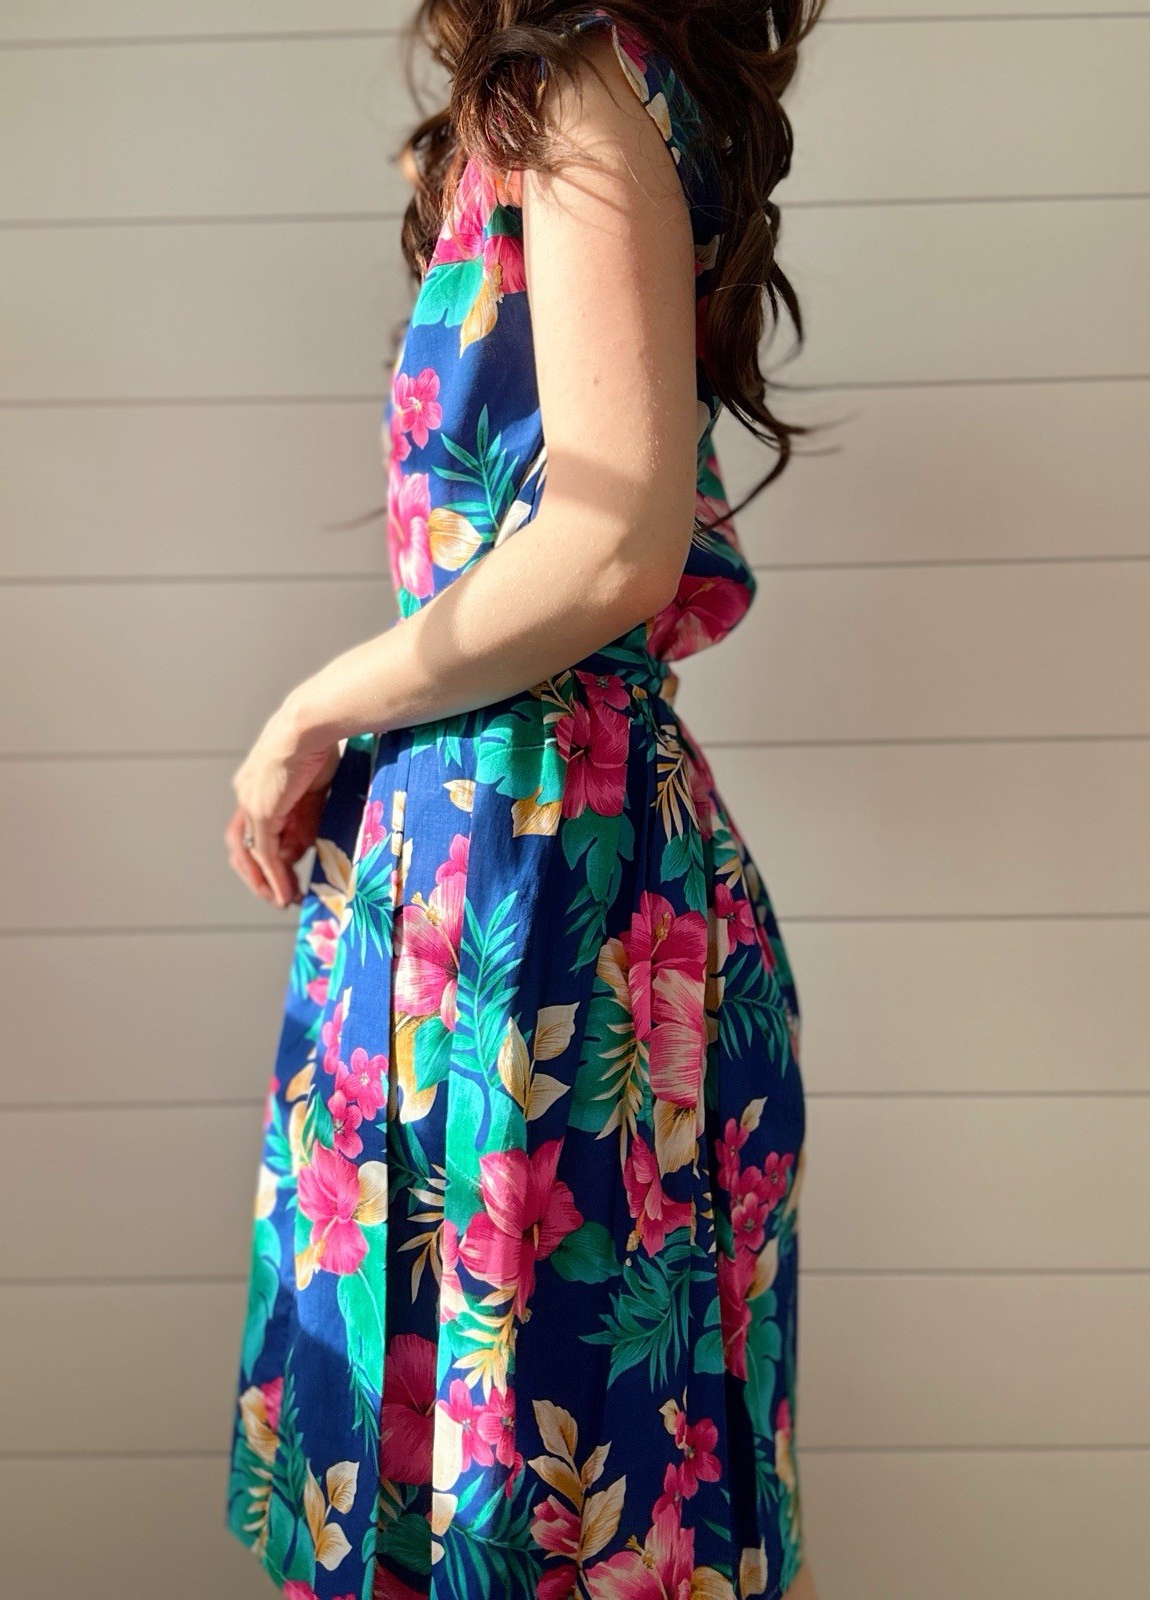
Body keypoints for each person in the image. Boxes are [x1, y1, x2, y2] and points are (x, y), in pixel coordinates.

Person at [224, 5, 821, 1597]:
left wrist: (312, 705)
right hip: (505, 876)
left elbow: (610, 542)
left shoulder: (577, 83)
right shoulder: (567, 97)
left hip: (542, 894)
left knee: (562, 1509)